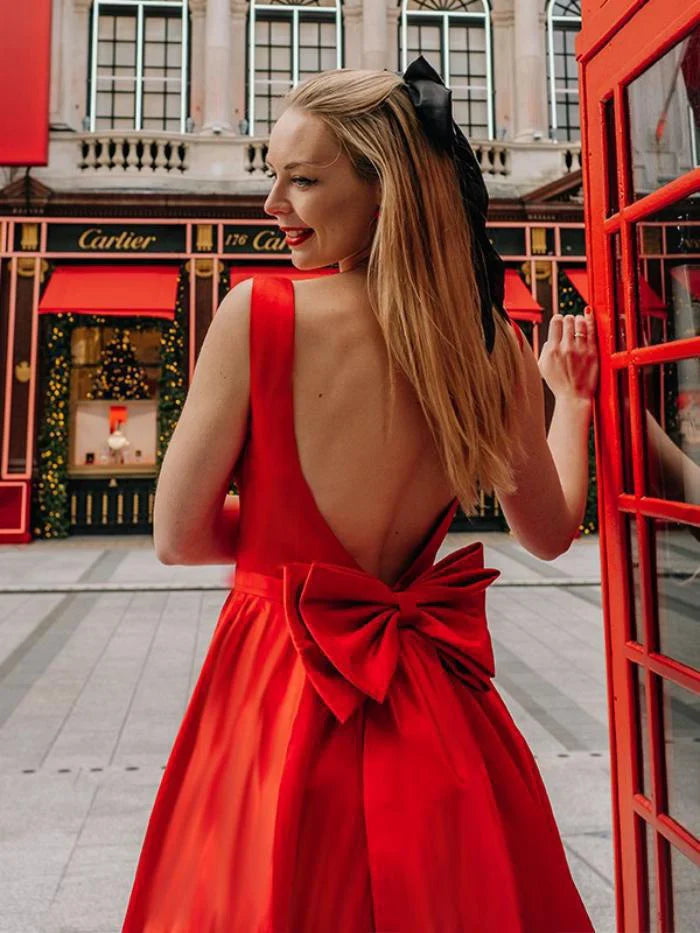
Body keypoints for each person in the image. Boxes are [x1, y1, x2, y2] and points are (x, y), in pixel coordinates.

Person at [122, 57, 598, 932]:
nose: (273, 206)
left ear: (386, 188)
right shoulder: (487, 340)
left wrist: (279, 540)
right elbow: (552, 531)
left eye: (301, 181)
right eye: (275, 177)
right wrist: (571, 400)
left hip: (280, 679)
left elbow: (178, 535)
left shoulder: (256, 314)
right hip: (438, 708)